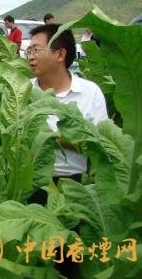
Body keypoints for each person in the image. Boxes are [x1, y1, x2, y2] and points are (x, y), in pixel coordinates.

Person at [26, 23, 108, 193]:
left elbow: (102, 145)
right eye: (29, 51)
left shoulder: (90, 91)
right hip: (30, 185)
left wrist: (54, 139)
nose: (30, 57)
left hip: (77, 185)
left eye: (37, 50)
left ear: (60, 54)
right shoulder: (23, 91)